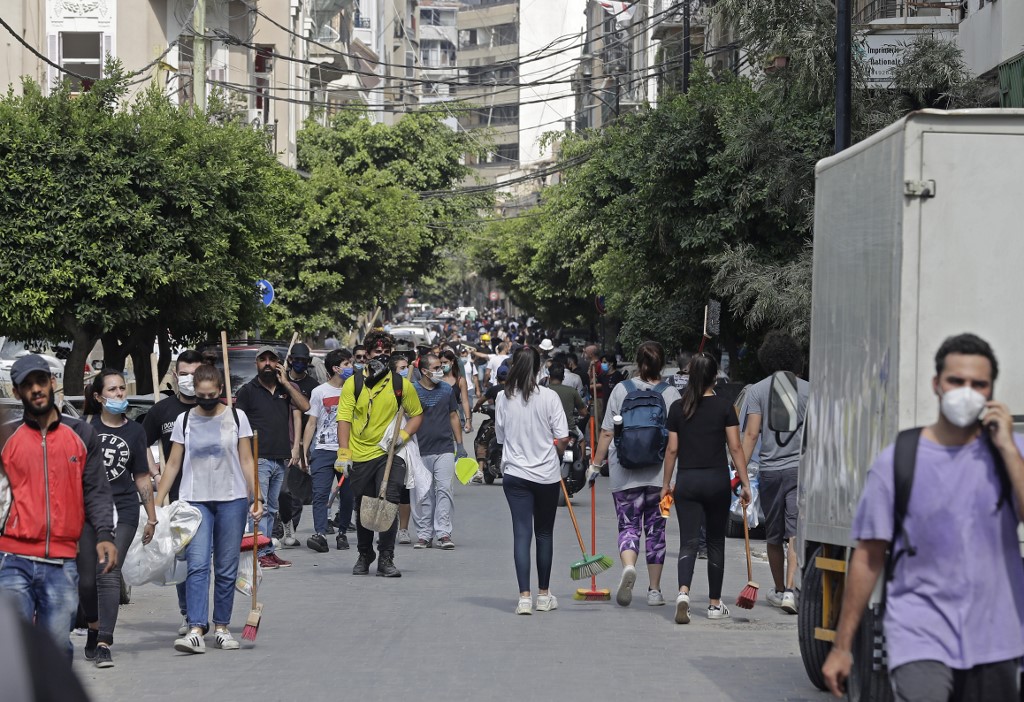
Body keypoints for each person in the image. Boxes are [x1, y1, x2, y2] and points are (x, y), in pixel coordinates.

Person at [822, 334, 1024, 701]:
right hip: (920, 633)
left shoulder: (1010, 457)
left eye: (978, 384)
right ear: (937, 385)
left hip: (995, 638)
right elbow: (868, 556)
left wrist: (1009, 448)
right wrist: (841, 645)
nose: (967, 391)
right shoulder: (899, 460)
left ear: (991, 390)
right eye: (956, 381)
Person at [0, 355, 116, 659]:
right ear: (16, 393)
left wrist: (104, 533)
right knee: (15, 647)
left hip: (62, 562)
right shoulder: (7, 438)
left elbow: (96, 490)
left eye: (41, 381)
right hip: (14, 558)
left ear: (53, 384)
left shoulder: (80, 434)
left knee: (54, 650)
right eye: (27, 385)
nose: (36, 389)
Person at [157, 364, 262, 654]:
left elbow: (246, 460)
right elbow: (173, 464)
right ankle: (195, 628)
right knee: (198, 564)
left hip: (232, 498)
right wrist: (155, 506)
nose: (205, 399)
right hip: (195, 500)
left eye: (210, 394)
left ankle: (222, 627)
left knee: (226, 567)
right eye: (200, 395)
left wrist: (257, 498)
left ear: (220, 392)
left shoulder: (237, 418)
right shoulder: (184, 420)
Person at [661, 352, 751, 624]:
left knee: (688, 540)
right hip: (716, 482)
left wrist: (666, 485)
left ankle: (683, 594)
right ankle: (714, 604)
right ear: (715, 377)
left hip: (687, 481)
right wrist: (745, 484)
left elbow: (672, 449)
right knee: (714, 542)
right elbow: (735, 447)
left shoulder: (678, 408)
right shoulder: (725, 407)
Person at [77, 369, 158, 668]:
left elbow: (141, 477)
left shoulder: (136, 431)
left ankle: (104, 642)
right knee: (86, 581)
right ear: (98, 397)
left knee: (108, 570)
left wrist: (151, 517)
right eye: (112, 390)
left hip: (123, 510)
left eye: (122, 389)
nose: (119, 394)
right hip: (87, 510)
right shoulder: (84, 429)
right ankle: (93, 625)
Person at [590, 342, 680, 608]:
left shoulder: (621, 390)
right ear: (661, 364)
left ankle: (629, 566)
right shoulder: (671, 393)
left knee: (628, 525)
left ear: (638, 363)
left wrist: (595, 465)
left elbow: (607, 432)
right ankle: (654, 590)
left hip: (624, 474)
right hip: (661, 478)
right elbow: (675, 440)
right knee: (657, 531)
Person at [335, 331, 423, 578]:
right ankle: (365, 554)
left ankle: (386, 556)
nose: (381, 357)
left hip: (390, 453)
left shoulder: (400, 384)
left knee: (388, 503)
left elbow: (416, 415)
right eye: (377, 353)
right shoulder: (353, 384)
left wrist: (403, 437)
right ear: (368, 355)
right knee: (364, 506)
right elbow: (343, 419)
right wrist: (344, 453)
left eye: (386, 353)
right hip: (361, 454)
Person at [496, 346, 569, 615]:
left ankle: (524, 597)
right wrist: (556, 453)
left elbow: (501, 437)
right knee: (544, 533)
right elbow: (562, 437)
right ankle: (543, 595)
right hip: (546, 474)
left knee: (521, 533)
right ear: (540, 368)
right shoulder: (549, 397)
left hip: (515, 474)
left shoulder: (504, 399)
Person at [740, 332, 808, 614]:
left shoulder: (757, 391)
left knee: (774, 534)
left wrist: (739, 475)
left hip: (769, 472)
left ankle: (779, 589)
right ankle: (792, 591)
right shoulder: (808, 389)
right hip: (799, 472)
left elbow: (752, 434)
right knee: (794, 533)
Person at [142, 348, 203, 636]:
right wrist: (154, 471)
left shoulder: (214, 408)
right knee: (186, 558)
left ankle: (205, 612)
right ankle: (190, 614)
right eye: (185, 374)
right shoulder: (161, 411)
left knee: (207, 560)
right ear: (175, 377)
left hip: (211, 494)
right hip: (177, 496)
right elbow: (139, 442)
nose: (190, 379)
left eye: (195, 374)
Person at [234, 345, 310, 570]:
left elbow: (305, 406)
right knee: (260, 508)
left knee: (273, 509)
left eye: (271, 359)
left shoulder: (285, 390)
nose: (267, 363)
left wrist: (286, 382)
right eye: (262, 360)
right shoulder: (248, 391)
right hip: (258, 458)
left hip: (280, 459)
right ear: (256, 364)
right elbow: (238, 425)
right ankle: (257, 554)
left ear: (278, 363)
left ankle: (266, 551)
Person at [411, 354, 466, 549]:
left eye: (441, 366)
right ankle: (424, 534)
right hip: (419, 450)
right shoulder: (413, 390)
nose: (440, 370)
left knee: (444, 490)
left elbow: (453, 415)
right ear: (424, 371)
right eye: (435, 367)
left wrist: (459, 445)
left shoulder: (446, 390)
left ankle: (443, 533)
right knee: (423, 493)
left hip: (444, 448)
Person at [302, 349, 354, 553]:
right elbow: (311, 423)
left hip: (346, 450)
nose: (351, 367)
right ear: (336, 368)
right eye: (347, 364)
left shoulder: (354, 390)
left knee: (348, 495)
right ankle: (321, 534)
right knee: (320, 493)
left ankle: (342, 532)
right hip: (323, 449)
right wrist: (305, 451)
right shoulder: (319, 392)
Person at [279, 342, 319, 548]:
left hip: (304, 441)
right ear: (290, 360)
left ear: (309, 363)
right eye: (296, 359)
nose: (299, 363)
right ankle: (282, 524)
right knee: (280, 490)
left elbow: (307, 413)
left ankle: (290, 526)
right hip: (280, 441)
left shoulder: (313, 386)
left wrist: (302, 446)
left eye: (304, 360)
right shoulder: (279, 380)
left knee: (294, 489)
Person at [547, 362, 588, 431]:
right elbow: (584, 412)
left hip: (548, 430)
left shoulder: (542, 391)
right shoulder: (572, 391)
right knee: (582, 441)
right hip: (569, 429)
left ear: (549, 377)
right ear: (563, 377)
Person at [441, 346, 472, 433]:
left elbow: (465, 401)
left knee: (456, 443)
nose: (443, 365)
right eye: (441, 363)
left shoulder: (460, 381)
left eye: (445, 362)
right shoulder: (437, 380)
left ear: (452, 362)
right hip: (439, 416)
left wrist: (468, 420)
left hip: (454, 416)